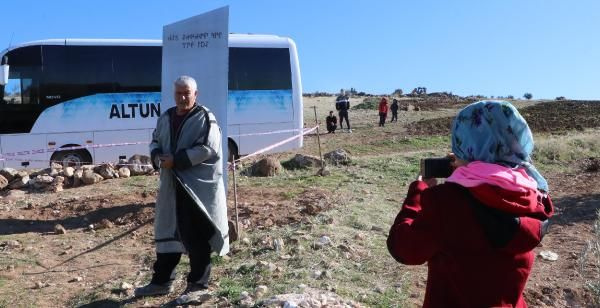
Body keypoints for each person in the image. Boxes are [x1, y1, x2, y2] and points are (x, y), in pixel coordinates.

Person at [387, 101, 554, 307]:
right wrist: (466, 168)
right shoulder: (533, 195)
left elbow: (404, 249)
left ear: (467, 143)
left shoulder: (447, 201)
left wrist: (418, 193)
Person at [135, 76, 229, 305]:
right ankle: (162, 280)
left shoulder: (205, 117)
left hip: (196, 188)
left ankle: (198, 284)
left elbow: (208, 148)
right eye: (179, 93)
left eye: (187, 93)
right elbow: (155, 141)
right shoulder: (166, 117)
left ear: (196, 94)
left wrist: (176, 161)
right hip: (170, 186)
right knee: (167, 229)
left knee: (195, 236)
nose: (183, 97)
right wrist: (157, 156)